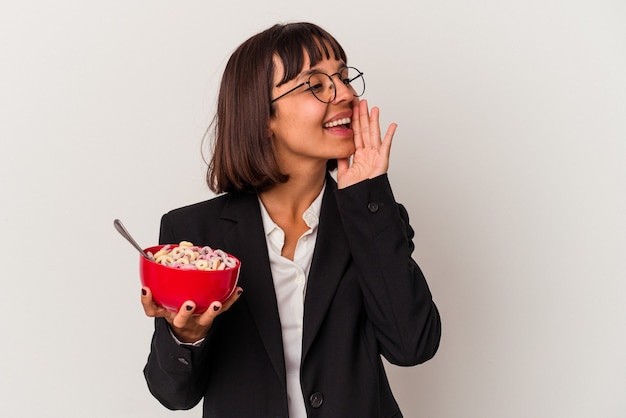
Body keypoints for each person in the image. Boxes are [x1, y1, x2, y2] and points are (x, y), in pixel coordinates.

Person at [140, 21, 441, 418]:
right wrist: (185, 337)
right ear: (263, 115)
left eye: (344, 78)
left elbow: (412, 346)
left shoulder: (376, 220)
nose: (346, 94)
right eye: (317, 84)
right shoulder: (195, 236)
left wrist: (369, 195)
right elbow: (174, 395)